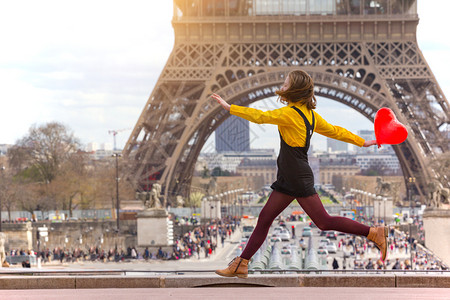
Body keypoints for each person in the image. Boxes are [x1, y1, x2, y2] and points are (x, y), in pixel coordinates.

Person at [212, 69, 388, 278]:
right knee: (265, 217)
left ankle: (373, 232)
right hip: (291, 174)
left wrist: (229, 107)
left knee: (323, 221)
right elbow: (335, 130)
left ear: (294, 89)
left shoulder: (288, 113)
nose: (282, 86)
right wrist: (363, 142)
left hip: (295, 174)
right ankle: (241, 263)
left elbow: (260, 116)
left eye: (286, 84)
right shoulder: (310, 115)